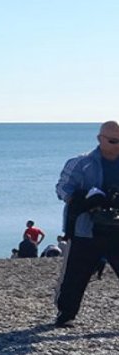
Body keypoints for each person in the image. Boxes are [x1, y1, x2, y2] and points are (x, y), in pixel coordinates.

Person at [54, 120, 119, 328]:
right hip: (86, 229)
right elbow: (62, 188)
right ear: (100, 139)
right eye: (113, 140)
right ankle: (66, 314)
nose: (118, 144)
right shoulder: (80, 163)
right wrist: (83, 200)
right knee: (76, 273)